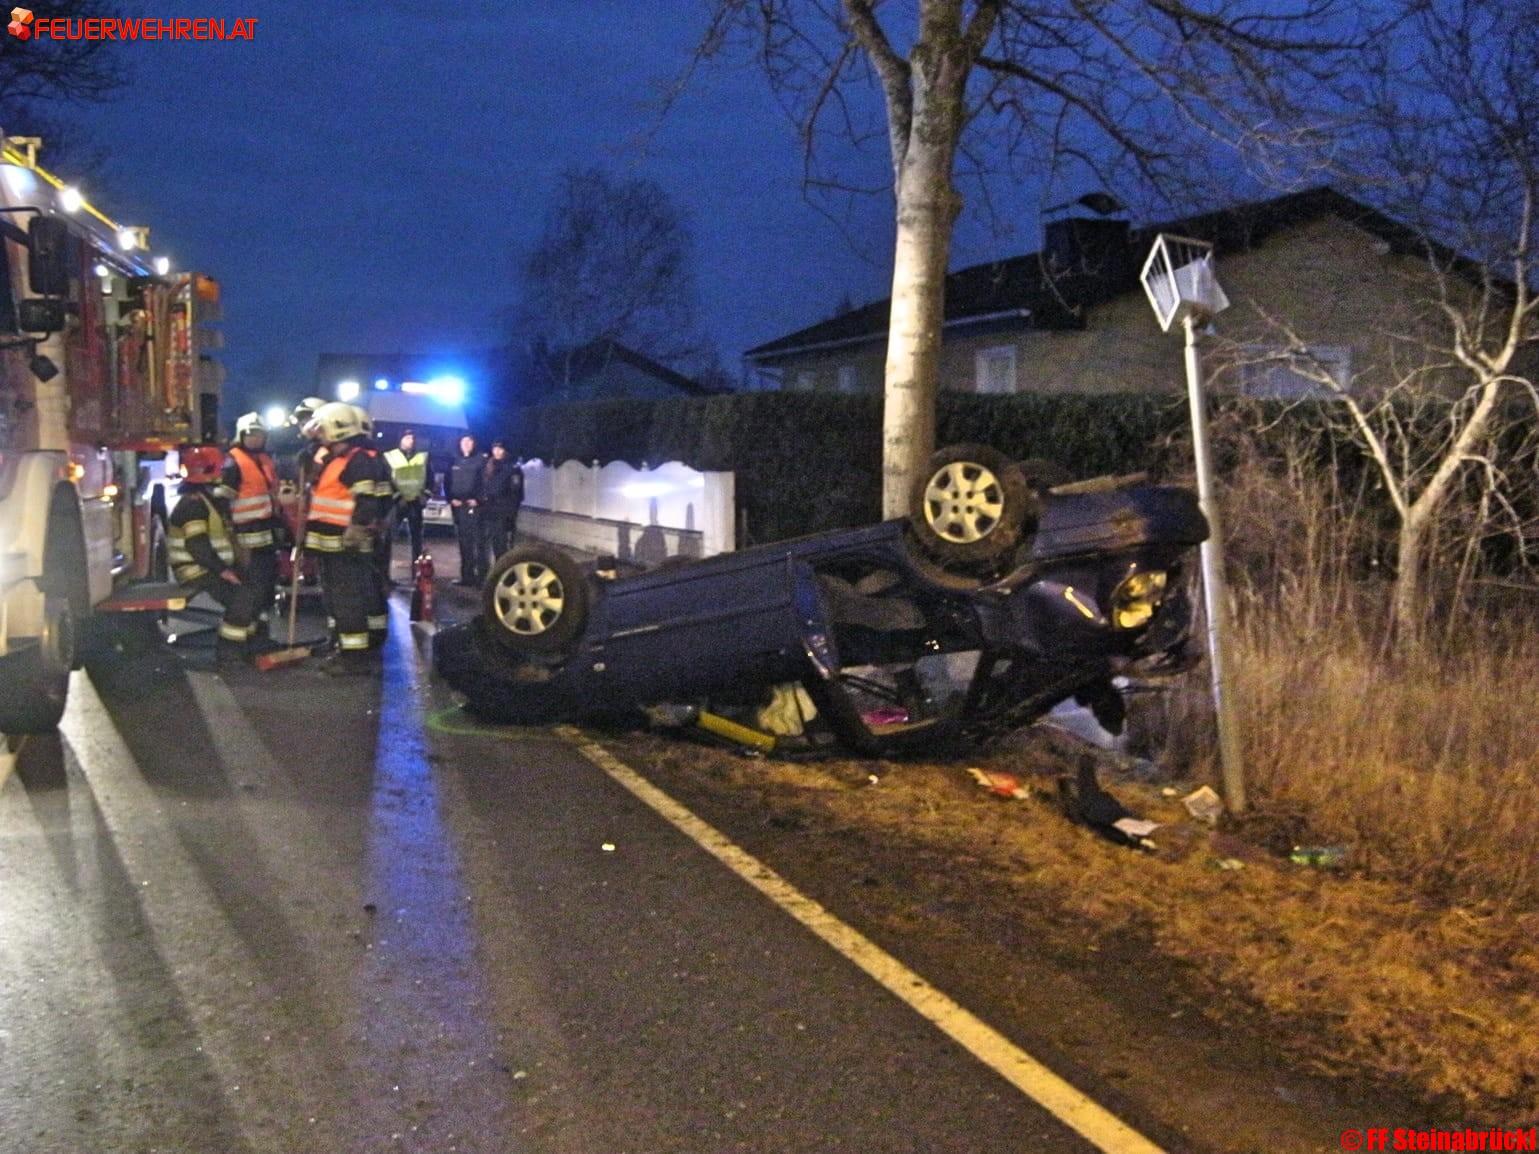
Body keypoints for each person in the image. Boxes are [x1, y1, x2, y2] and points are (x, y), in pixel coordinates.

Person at [304, 402, 389, 675]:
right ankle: (342, 645)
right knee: (335, 598)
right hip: (330, 544)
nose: (320, 435)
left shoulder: (358, 459)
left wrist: (358, 527)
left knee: (347, 599)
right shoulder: (337, 458)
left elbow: (367, 500)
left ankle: (353, 657)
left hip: (345, 545)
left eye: (323, 429)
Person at [167, 445, 258, 669]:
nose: (225, 474)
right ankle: (230, 653)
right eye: (222, 469)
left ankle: (249, 644)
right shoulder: (194, 504)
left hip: (206, 567)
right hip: (196, 570)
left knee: (248, 592)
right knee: (242, 597)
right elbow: (197, 545)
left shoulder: (204, 499)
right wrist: (224, 571)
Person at [219, 412, 283, 650]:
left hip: (266, 535)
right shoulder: (233, 462)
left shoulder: (265, 459)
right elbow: (223, 501)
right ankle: (242, 642)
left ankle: (259, 636)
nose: (256, 439)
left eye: (260, 435)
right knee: (251, 590)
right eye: (252, 434)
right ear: (242, 435)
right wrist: (229, 535)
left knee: (266, 588)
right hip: (246, 538)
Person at [382, 428, 429, 579]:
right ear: (401, 440)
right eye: (408, 438)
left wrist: (425, 496)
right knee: (387, 539)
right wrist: (396, 497)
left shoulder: (423, 457)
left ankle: (418, 575)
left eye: (413, 438)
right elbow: (386, 479)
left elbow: (430, 478)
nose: (411, 441)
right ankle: (385, 575)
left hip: (415, 502)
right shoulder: (390, 456)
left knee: (417, 541)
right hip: (397, 503)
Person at [447, 432, 487, 586]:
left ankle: (481, 578)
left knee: (478, 543)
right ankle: (466, 576)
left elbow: (485, 483)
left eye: (470, 441)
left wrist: (478, 500)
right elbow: (447, 482)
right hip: (459, 507)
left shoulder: (481, 460)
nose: (467, 443)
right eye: (464, 441)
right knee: (464, 543)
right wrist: (451, 499)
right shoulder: (454, 460)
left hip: (474, 508)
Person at [481, 440, 524, 561]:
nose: (497, 452)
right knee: (491, 544)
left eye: (500, 449)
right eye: (495, 448)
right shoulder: (489, 466)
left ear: (505, 450)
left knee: (503, 547)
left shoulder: (512, 468)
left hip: (503, 513)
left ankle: (504, 573)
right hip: (489, 511)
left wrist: (511, 515)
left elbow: (516, 494)